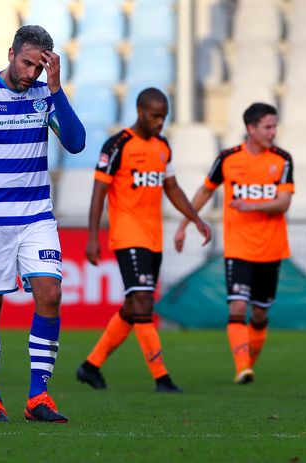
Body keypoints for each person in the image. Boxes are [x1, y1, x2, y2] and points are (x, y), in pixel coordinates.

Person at [0, 25, 85, 423]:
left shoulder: (45, 96)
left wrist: (56, 88)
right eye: (26, 63)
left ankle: (38, 396)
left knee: (50, 292)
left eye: (40, 67)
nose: (31, 73)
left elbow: (75, 143)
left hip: (35, 217)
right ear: (11, 54)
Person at [76, 88, 211, 393]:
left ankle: (90, 366)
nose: (160, 122)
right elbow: (99, 192)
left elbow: (172, 188)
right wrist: (93, 237)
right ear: (140, 112)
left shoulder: (163, 147)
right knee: (144, 302)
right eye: (155, 116)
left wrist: (195, 219)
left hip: (153, 238)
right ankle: (162, 378)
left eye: (164, 116)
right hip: (128, 235)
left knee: (132, 307)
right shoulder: (118, 145)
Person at [174, 103, 294, 384]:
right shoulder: (228, 159)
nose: (273, 132)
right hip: (239, 249)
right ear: (251, 129)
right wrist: (184, 223)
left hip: (271, 249)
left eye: (275, 126)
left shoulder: (282, 159)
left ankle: (247, 362)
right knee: (237, 307)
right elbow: (206, 190)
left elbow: (284, 202)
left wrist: (250, 206)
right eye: (268, 127)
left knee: (261, 313)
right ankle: (242, 367)